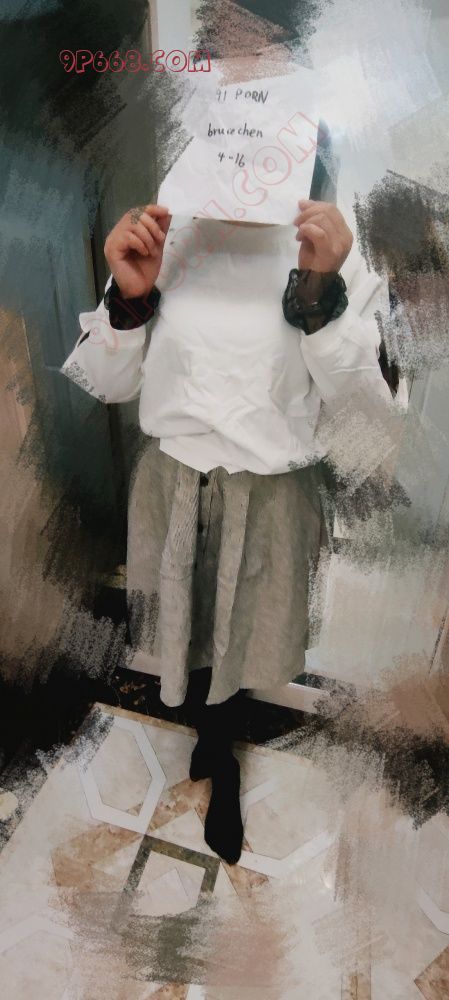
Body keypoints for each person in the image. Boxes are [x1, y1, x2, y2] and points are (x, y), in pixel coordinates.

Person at [61, 147, 393, 864]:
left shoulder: (334, 250)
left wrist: (319, 293)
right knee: (187, 627)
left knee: (245, 634)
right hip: (173, 481)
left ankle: (223, 755)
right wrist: (129, 298)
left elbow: (362, 407)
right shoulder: (170, 236)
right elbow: (108, 382)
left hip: (270, 493)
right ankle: (208, 737)